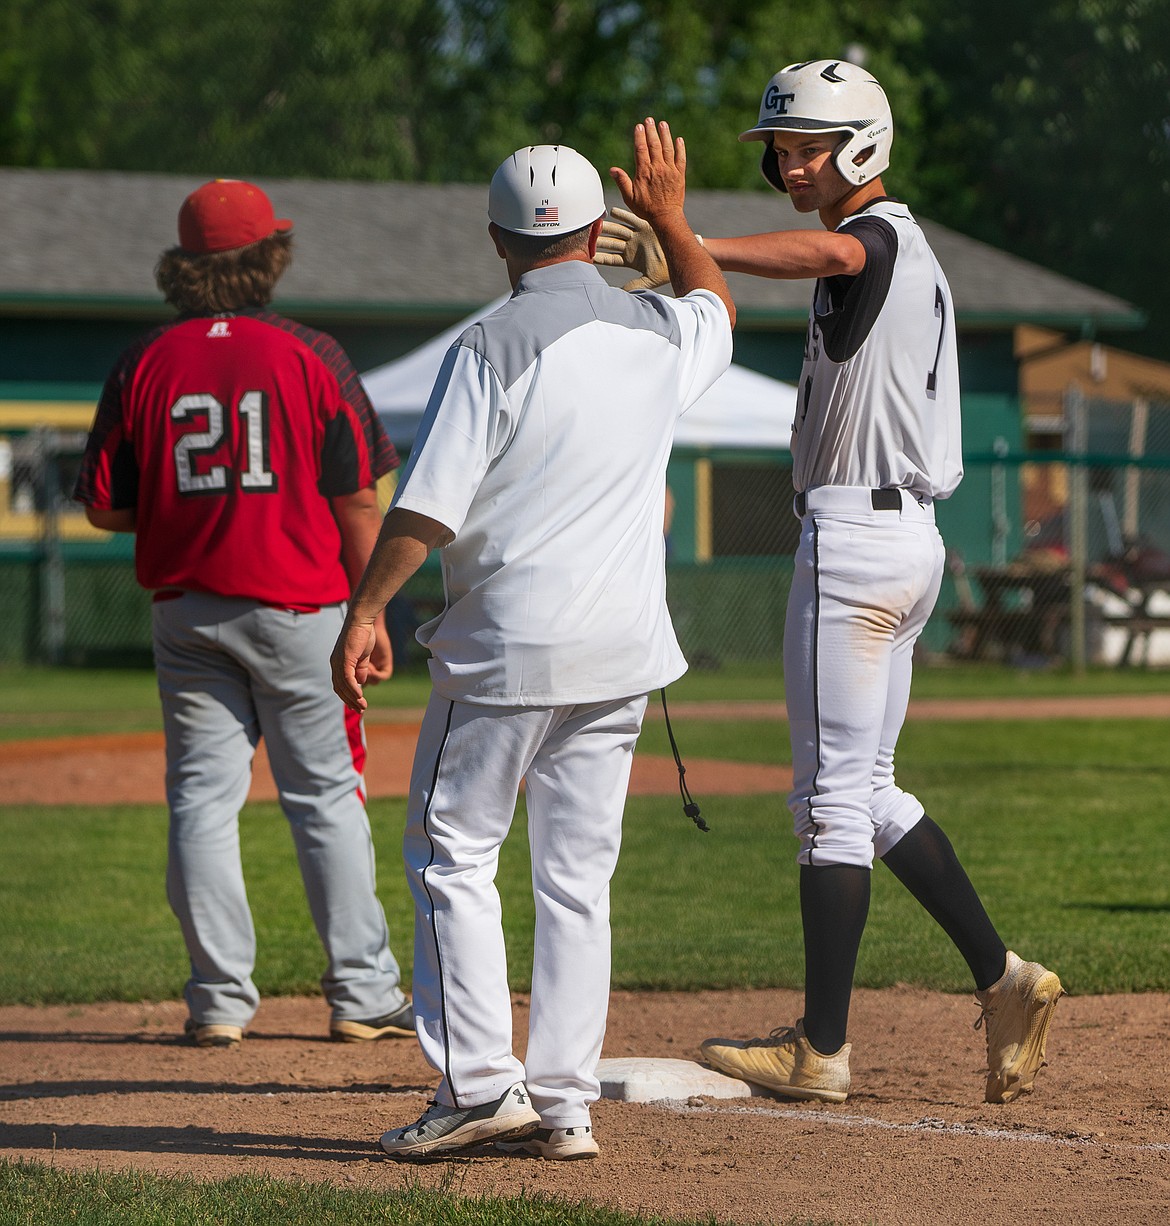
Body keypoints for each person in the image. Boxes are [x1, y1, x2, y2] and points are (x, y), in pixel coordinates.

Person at [597, 60, 1063, 1105]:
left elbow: (837, 247)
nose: (788, 161)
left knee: (826, 806)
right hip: (902, 543)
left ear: (861, 145)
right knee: (869, 790)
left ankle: (821, 1047)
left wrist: (692, 239)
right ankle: (1005, 978)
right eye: (782, 146)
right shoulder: (905, 250)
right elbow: (832, 254)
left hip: (856, 542)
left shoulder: (882, 236)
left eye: (808, 144)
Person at [330, 128, 734, 1159]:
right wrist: (677, 218)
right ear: (601, 228)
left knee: (452, 854)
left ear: (498, 242)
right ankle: (563, 1101)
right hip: (623, 649)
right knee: (576, 874)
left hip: (510, 649)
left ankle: (476, 1086)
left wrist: (368, 607)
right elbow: (717, 309)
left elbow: (425, 508)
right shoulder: (656, 328)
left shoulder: (489, 342)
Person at [74, 178, 413, 1049]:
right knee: (325, 801)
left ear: (185, 267)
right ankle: (363, 996)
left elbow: (105, 509)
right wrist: (372, 613)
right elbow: (355, 503)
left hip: (188, 611)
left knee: (198, 803)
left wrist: (197, 507)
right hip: (300, 607)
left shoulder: (144, 360)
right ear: (270, 256)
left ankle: (219, 1001)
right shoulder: (310, 353)